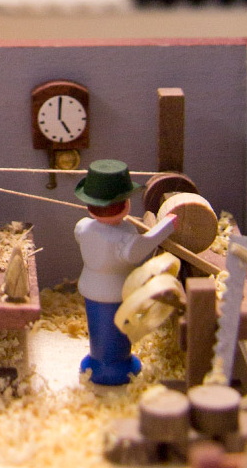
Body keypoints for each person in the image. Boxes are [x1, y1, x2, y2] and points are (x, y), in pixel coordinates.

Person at [73, 158, 177, 385]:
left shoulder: (82, 227)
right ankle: (115, 365)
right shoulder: (124, 237)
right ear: (125, 205)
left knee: (98, 330)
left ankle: (96, 360)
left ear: (89, 205)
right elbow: (144, 246)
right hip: (118, 292)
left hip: (91, 287)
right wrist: (168, 225)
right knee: (117, 331)